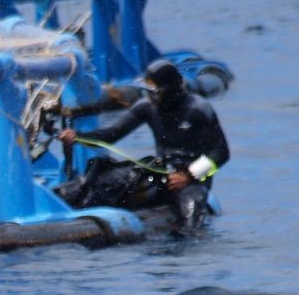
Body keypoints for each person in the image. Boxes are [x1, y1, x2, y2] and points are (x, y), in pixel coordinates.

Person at [57, 58, 231, 231]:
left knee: (191, 221)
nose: (150, 97)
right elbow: (112, 134)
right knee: (99, 183)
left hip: (191, 182)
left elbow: (221, 152)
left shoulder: (198, 109)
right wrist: (77, 136)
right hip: (161, 173)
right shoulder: (147, 107)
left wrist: (189, 176)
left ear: (169, 90)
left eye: (154, 92)